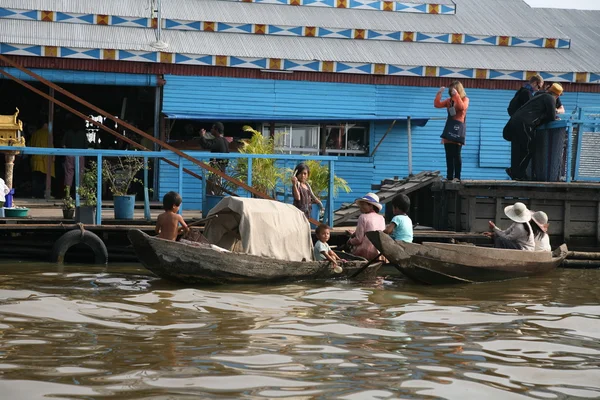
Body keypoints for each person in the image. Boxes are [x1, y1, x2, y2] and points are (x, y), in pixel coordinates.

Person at [503, 83, 563, 181]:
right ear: (557, 95)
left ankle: (514, 172)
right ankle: (518, 174)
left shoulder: (540, 96)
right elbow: (551, 117)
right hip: (524, 124)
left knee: (517, 148)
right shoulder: (550, 99)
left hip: (514, 122)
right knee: (529, 149)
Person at [434, 81, 469, 182]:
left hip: (458, 129)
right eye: (451, 90)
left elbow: (462, 107)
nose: (452, 91)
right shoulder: (449, 101)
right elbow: (437, 104)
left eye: (454, 89)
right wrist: (439, 93)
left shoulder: (465, 99)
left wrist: (457, 95)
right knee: (448, 155)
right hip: (449, 128)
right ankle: (449, 176)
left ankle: (457, 177)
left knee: (456, 154)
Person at [346, 193, 386, 259]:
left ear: (371, 205)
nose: (360, 207)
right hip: (379, 253)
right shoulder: (381, 218)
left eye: (363, 204)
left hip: (366, 252)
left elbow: (359, 240)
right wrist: (355, 233)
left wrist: (350, 241)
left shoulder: (363, 217)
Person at [200, 122, 230, 195]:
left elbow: (206, 145)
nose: (211, 130)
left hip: (216, 172)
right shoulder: (225, 141)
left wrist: (202, 136)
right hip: (221, 171)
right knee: (216, 191)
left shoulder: (218, 140)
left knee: (212, 192)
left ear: (216, 130)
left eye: (212, 128)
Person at [62, 117, 89, 195]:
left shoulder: (68, 132)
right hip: (80, 155)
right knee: (80, 174)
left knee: (68, 174)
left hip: (69, 155)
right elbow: (86, 146)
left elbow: (63, 145)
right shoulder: (83, 134)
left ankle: (67, 194)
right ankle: (79, 194)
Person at [29, 120, 55, 198]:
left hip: (35, 159)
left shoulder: (35, 133)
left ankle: (35, 194)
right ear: (45, 124)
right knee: (44, 178)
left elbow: (30, 144)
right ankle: (45, 194)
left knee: (36, 178)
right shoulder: (48, 134)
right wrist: (53, 156)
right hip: (45, 160)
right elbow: (51, 145)